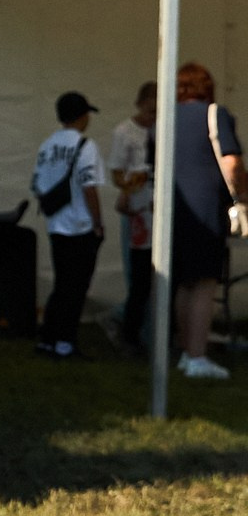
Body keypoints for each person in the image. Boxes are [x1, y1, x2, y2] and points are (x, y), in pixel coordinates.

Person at [171, 60, 244, 383]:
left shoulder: (165, 119)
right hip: (205, 209)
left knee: (184, 283)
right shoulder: (216, 114)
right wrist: (241, 198)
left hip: (174, 212)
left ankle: (187, 351)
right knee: (204, 284)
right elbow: (231, 163)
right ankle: (198, 356)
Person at [30, 91, 105, 360]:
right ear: (82, 116)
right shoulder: (86, 146)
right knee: (76, 288)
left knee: (62, 285)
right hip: (81, 226)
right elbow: (89, 188)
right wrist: (98, 223)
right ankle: (65, 342)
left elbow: (37, 184)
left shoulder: (47, 145)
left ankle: (48, 339)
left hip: (56, 225)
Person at [108, 82, 157, 350]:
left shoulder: (165, 129)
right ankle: (130, 330)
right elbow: (116, 172)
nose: (153, 117)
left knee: (158, 277)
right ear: (139, 105)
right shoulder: (125, 132)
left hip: (159, 207)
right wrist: (129, 188)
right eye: (150, 111)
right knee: (137, 276)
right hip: (137, 209)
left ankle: (155, 331)